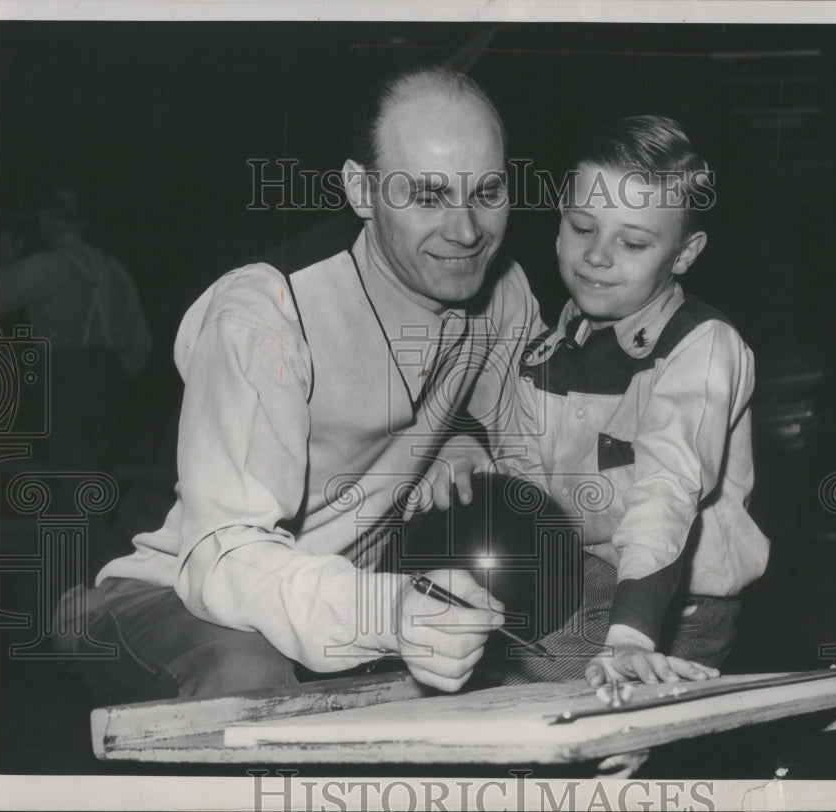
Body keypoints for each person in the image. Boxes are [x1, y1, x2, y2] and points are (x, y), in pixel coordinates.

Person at [51, 65, 544, 704]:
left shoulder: (504, 294)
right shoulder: (265, 313)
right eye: (427, 196)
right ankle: (79, 610)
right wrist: (387, 613)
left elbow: (536, 447)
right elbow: (224, 557)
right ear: (361, 191)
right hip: (179, 585)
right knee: (248, 679)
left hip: (345, 587)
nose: (467, 230)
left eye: (488, 191)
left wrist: (469, 435)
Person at [412, 116, 770, 695]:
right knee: (437, 641)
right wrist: (468, 454)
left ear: (683, 253)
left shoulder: (703, 346)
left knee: (513, 683)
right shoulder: (545, 353)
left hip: (672, 601)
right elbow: (527, 485)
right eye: (583, 228)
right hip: (575, 576)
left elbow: (668, 488)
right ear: (557, 230)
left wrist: (630, 633)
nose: (598, 256)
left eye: (631, 243)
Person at [0, 189, 152, 472]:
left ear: (44, 223)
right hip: (111, 381)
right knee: (101, 475)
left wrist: (6, 262)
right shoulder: (116, 271)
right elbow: (142, 343)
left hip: (62, 379)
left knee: (71, 476)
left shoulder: (41, 267)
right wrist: (112, 374)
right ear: (83, 225)